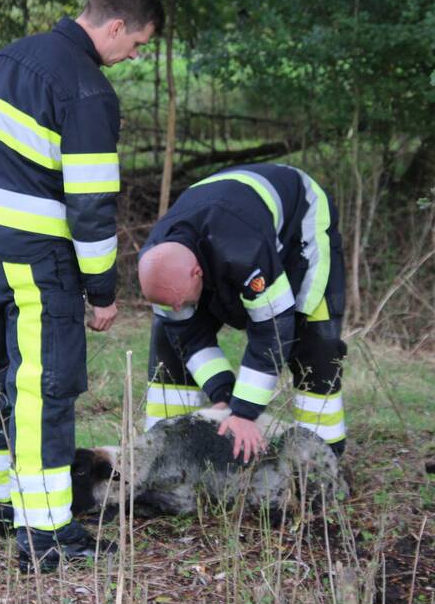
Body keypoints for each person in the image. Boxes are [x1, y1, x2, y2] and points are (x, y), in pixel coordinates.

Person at [0, 0, 164, 572]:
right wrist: (101, 291)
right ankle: (46, 532)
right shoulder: (87, 89)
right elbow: (91, 204)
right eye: (138, 43)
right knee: (44, 386)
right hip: (36, 252)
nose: (134, 55)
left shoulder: (8, 58)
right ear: (116, 26)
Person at [138, 163, 348, 463]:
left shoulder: (243, 251)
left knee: (314, 339)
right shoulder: (159, 262)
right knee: (168, 338)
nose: (176, 308)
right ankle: (162, 453)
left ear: (197, 273)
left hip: (299, 223)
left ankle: (322, 458)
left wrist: (244, 413)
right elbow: (188, 337)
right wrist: (223, 396)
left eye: (179, 301)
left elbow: (273, 331)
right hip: (222, 224)